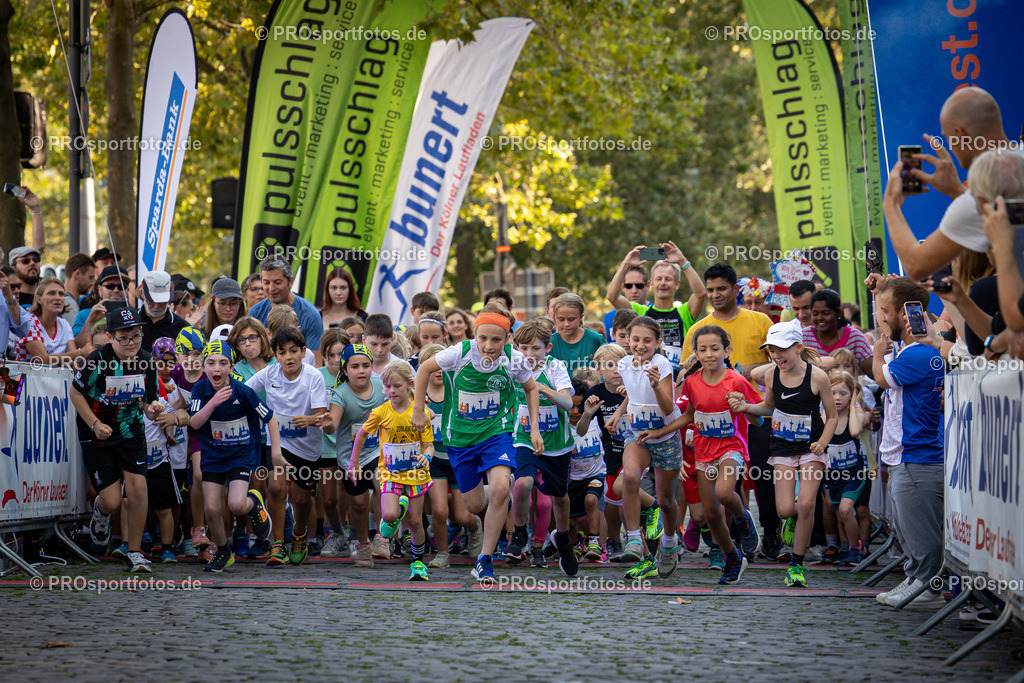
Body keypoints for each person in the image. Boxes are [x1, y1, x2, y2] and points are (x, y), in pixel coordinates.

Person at [411, 301, 543, 584]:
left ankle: (484, 560)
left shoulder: (514, 359)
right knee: (472, 505)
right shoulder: (459, 352)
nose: (488, 346)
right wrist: (418, 410)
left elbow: (531, 388)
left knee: (500, 489)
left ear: (507, 338)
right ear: (475, 335)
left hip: (497, 433)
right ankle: (487, 508)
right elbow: (423, 369)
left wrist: (533, 429)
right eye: (483, 338)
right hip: (460, 438)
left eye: (496, 339)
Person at [728, 318, 838, 587]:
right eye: (771, 350)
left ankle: (796, 565)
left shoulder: (817, 376)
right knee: (786, 509)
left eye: (782, 349)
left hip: (812, 446)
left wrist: (823, 442)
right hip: (783, 448)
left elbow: (832, 417)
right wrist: (746, 408)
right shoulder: (771, 374)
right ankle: (795, 521)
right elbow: (770, 407)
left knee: (808, 503)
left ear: (798, 347)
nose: (776, 355)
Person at [681, 264, 779, 557]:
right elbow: (689, 371)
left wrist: (750, 371)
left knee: (763, 475)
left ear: (736, 289)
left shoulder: (760, 320)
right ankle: (730, 539)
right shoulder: (699, 329)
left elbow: (779, 361)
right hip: (715, 417)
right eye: (710, 290)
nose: (715, 294)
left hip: (756, 410)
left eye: (721, 288)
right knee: (726, 485)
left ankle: (770, 532)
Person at [871, 277, 946, 609]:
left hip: (917, 458)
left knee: (921, 533)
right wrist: (878, 294)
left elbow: (881, 378)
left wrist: (875, 355)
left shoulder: (917, 355)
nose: (883, 318)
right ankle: (917, 578)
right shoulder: (912, 351)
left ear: (905, 314)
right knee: (909, 528)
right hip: (908, 457)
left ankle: (928, 587)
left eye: (887, 311)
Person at [72, 303, 164, 573]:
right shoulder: (97, 360)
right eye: (123, 337)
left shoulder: (146, 361)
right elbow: (75, 393)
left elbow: (148, 402)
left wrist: (153, 408)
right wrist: (95, 423)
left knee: (138, 489)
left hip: (130, 430)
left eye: (135, 336)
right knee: (112, 501)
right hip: (98, 433)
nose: (130, 342)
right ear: (111, 336)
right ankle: (100, 513)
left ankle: (134, 552)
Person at [884, 88, 1011, 281]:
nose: (951, 147)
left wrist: (890, 205)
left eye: (949, 138)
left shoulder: (982, 195)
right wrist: (956, 190)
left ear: (960, 133)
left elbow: (916, 265)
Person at [674, 325, 763, 583]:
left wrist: (743, 407)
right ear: (696, 353)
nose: (709, 354)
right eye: (703, 349)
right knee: (710, 514)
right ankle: (733, 558)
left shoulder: (736, 380)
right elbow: (690, 415)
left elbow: (757, 420)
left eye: (715, 348)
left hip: (731, 447)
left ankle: (744, 518)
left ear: (726, 350)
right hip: (703, 452)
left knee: (725, 493)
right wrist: (662, 433)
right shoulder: (691, 382)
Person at [189, 340, 277, 571]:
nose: (216, 368)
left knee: (237, 505)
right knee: (211, 509)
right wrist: (213, 403)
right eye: (211, 363)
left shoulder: (243, 391)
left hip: (241, 454)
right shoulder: (200, 390)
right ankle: (223, 551)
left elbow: (269, 418)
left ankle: (254, 502)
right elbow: (195, 422)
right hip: (213, 456)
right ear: (203, 366)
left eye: (223, 363)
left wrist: (275, 451)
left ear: (231, 366)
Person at [245, 328, 328, 566]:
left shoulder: (314, 376)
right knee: (277, 489)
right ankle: (277, 544)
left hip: (308, 447)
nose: (288, 357)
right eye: (282, 352)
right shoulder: (269, 374)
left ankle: (299, 534)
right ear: (275, 355)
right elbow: (245, 391)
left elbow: (322, 415)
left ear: (303, 352)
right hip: (279, 444)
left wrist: (309, 419)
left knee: (302, 500)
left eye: (293, 351)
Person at [503, 319, 580, 576]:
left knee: (559, 497)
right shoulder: (512, 367)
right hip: (524, 437)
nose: (529, 355)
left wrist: (540, 388)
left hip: (556, 444)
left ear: (547, 347)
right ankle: (519, 534)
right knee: (522, 483)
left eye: (535, 348)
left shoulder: (556, 367)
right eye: (523, 348)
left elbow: (568, 403)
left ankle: (564, 540)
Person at [615, 316, 684, 580]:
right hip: (638, 435)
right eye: (635, 339)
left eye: (647, 341)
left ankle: (669, 541)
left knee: (666, 500)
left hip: (665, 438)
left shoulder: (662, 364)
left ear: (657, 343)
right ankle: (633, 539)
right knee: (630, 477)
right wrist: (618, 412)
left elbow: (668, 409)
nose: (640, 345)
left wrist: (656, 385)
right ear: (627, 340)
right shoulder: (623, 363)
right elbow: (634, 394)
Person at [351, 360, 434, 581]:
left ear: (410, 385)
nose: (391, 391)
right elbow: (361, 435)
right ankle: (399, 508)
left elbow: (429, 444)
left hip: (416, 473)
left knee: (416, 521)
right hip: (389, 472)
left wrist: (427, 456)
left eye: (397, 386)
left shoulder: (420, 412)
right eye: (387, 386)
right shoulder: (380, 412)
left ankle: (418, 563)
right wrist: (354, 463)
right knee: (389, 515)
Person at [322, 343, 386, 566]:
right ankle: (363, 545)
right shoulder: (341, 394)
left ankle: (382, 537)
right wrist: (328, 424)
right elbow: (333, 425)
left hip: (378, 452)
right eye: (355, 366)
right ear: (345, 369)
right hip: (351, 459)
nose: (361, 371)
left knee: (382, 485)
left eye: (366, 366)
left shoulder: (380, 387)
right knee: (358, 504)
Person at [418, 343, 480, 568]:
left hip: (458, 457)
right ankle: (442, 552)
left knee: (463, 516)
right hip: (433, 460)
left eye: (441, 364)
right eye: (432, 365)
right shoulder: (421, 395)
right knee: (440, 510)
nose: (437, 370)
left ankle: (474, 529)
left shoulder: (456, 391)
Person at [608, 241, 706, 373]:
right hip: (647, 378)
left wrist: (683, 261)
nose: (663, 283)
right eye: (659, 279)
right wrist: (626, 264)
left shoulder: (684, 312)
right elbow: (612, 296)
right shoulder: (640, 311)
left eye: (668, 279)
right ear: (651, 284)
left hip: (678, 381)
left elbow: (701, 294)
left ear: (677, 284)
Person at [577, 344, 630, 561]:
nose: (615, 369)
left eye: (620, 364)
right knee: (611, 502)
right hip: (610, 453)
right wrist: (587, 414)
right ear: (599, 370)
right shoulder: (594, 393)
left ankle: (639, 539)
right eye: (609, 365)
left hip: (637, 450)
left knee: (631, 493)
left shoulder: (633, 388)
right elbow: (580, 431)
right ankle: (615, 541)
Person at [823, 371, 870, 568]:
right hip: (833, 475)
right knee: (840, 514)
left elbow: (854, 431)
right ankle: (846, 548)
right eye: (833, 393)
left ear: (851, 394)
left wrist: (854, 405)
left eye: (843, 393)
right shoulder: (824, 415)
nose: (837, 398)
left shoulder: (856, 414)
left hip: (854, 473)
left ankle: (854, 550)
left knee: (845, 508)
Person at [316, 328, 351, 558]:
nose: (336, 361)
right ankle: (337, 532)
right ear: (325, 356)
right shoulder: (317, 375)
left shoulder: (355, 374)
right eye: (331, 355)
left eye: (341, 355)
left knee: (347, 492)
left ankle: (348, 533)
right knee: (328, 498)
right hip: (324, 444)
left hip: (348, 443)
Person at [248, 256, 324, 363]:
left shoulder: (310, 314)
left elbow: (316, 363)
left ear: (290, 282)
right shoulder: (255, 312)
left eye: (277, 282)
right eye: (266, 283)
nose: (271, 288)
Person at [568, 379, 606, 560]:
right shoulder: (563, 427)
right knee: (572, 520)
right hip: (572, 478)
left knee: (591, 501)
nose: (576, 412)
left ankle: (595, 542)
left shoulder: (596, 422)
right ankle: (575, 545)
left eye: (580, 407)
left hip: (596, 474)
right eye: (572, 407)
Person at [802, 289, 874, 377]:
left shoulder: (855, 337)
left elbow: (873, 372)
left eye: (826, 313)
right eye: (815, 314)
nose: (820, 318)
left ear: (839, 313)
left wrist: (879, 354)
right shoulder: (803, 337)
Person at [14, 278, 84, 364]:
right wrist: (80, 353)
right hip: (27, 376)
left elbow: (73, 360)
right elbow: (43, 359)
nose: (58, 298)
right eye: (51, 293)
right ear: (39, 299)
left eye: (61, 294)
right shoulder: (28, 323)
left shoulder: (64, 324)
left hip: (58, 376)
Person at [549, 293, 605, 375]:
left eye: (571, 319)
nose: (566, 324)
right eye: (561, 319)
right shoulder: (550, 343)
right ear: (555, 317)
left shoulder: (595, 339)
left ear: (581, 317)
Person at [73, 265, 129, 346]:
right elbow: (77, 346)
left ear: (127, 290)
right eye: (110, 286)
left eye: (121, 286)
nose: (116, 290)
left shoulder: (132, 315)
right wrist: (90, 321)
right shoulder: (85, 315)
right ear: (100, 290)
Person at [138, 271, 188, 352]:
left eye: (162, 301)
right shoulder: (132, 322)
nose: (157, 306)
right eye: (151, 300)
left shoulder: (181, 327)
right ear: (141, 293)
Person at [603, 262, 649, 341]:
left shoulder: (652, 312)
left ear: (648, 286)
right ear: (623, 287)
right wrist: (625, 264)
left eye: (639, 286)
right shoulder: (609, 317)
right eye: (629, 286)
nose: (634, 290)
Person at [364, 313, 403, 377]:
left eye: (385, 344)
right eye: (374, 344)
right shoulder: (356, 368)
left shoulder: (402, 367)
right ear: (364, 340)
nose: (379, 350)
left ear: (392, 340)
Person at [61, 253, 96, 324]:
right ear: (77, 274)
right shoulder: (69, 304)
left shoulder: (65, 300)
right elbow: (73, 334)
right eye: (90, 277)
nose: (92, 283)